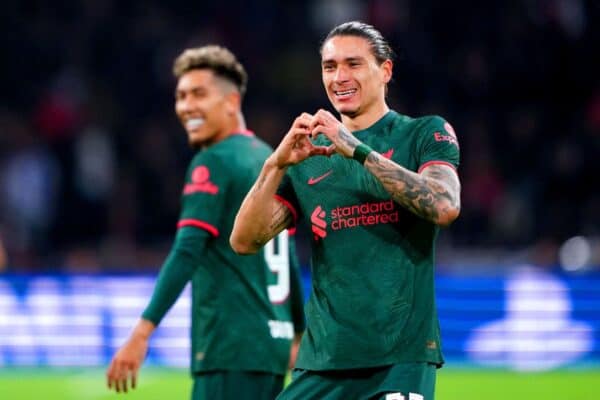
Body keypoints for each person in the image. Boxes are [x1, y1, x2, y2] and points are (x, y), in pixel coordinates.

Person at [230, 21, 461, 400]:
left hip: (399, 361)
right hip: (324, 360)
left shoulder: (423, 133)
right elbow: (243, 240)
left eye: (353, 64)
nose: (339, 77)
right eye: (329, 66)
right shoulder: (310, 157)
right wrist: (275, 165)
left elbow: (444, 205)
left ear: (385, 71)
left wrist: (357, 149)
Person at [106, 45, 305, 400]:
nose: (186, 107)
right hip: (271, 347)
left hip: (229, 347)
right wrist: (297, 332)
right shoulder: (270, 159)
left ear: (231, 102)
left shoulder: (213, 161)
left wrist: (142, 332)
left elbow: (187, 251)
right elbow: (287, 256)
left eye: (199, 94)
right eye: (181, 96)